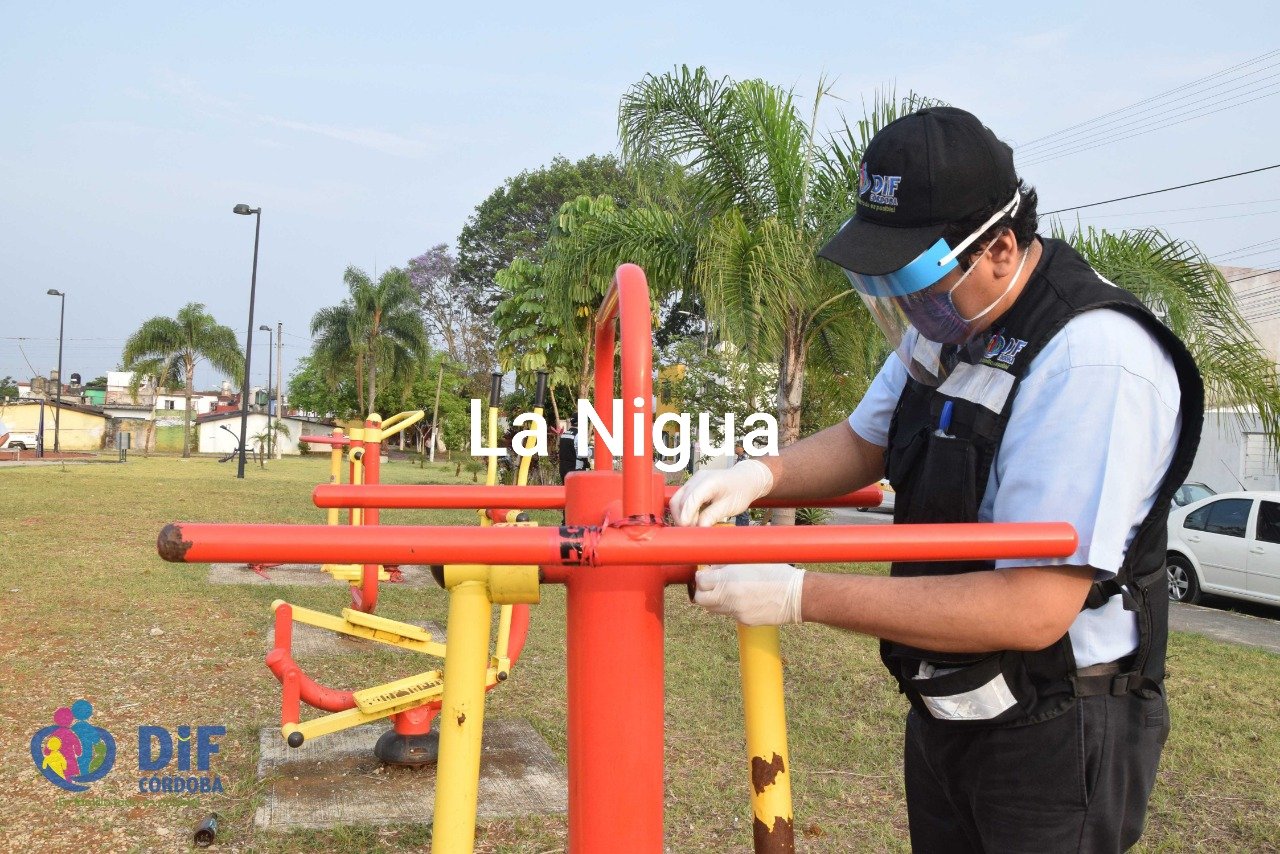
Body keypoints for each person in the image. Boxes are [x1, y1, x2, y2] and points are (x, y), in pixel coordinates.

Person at [670, 107, 1203, 853]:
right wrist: (758, 475)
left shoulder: (1090, 359)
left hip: (1059, 725)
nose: (906, 304)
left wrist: (797, 594)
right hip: (954, 705)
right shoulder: (950, 326)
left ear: (1000, 250)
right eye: (882, 280)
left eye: (916, 278)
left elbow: (1033, 608)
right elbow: (866, 441)